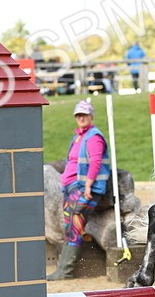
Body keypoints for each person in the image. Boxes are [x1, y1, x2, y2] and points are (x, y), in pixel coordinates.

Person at [48, 100, 112, 280]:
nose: (81, 118)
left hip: (84, 189)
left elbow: (95, 163)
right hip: (71, 188)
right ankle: (62, 270)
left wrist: (88, 186)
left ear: (91, 116)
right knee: (70, 227)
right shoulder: (78, 137)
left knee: (75, 227)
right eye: (78, 115)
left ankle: (65, 271)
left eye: (84, 115)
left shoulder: (94, 137)